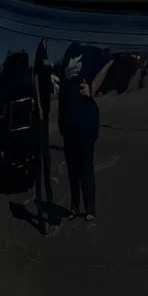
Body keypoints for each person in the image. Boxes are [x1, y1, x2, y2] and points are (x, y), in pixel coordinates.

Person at [57, 44, 111, 221]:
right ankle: (74, 206)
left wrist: (93, 86)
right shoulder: (69, 51)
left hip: (86, 119)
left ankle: (90, 208)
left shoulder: (93, 48)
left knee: (86, 164)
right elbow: (62, 86)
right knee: (72, 167)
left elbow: (109, 60)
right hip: (68, 120)